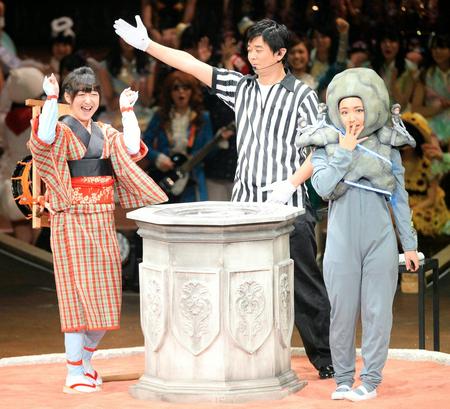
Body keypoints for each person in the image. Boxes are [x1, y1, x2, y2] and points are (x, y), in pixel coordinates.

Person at [114, 16, 334, 378]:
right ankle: (245, 358)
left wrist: (291, 183)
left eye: (259, 49)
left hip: (289, 206)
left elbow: (320, 148)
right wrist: (147, 45)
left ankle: (327, 359)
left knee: (304, 287)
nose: (252, 54)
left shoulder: (302, 95)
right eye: (249, 48)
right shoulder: (241, 87)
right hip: (245, 208)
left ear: (280, 53)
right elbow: (191, 64)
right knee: (243, 284)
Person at [29, 67, 167, 393]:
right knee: (76, 299)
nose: (88, 99)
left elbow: (131, 149)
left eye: (93, 93)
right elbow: (43, 139)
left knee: (106, 297)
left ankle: (85, 362)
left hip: (102, 219)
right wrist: (50, 98)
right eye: (81, 94)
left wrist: (127, 110)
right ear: (69, 98)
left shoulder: (105, 132)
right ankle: (73, 372)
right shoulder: (61, 131)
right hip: (71, 219)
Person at [297, 67, 419, 401]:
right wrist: (345, 151)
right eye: (346, 110)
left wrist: (409, 245)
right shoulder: (324, 146)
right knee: (341, 312)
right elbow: (323, 188)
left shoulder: (388, 147)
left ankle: (370, 381)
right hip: (340, 242)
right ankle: (343, 379)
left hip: (380, 240)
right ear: (336, 112)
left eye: (359, 110)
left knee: (378, 313)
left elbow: (400, 198)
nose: (352, 117)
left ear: (370, 109)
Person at [141, 70, 213, 202]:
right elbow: (144, 144)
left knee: (192, 214)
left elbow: (208, 150)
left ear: (192, 91)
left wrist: (192, 159)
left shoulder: (203, 117)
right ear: (169, 93)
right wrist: (158, 158)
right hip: (163, 177)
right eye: (176, 88)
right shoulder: (160, 115)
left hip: (192, 179)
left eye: (185, 88)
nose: (181, 92)